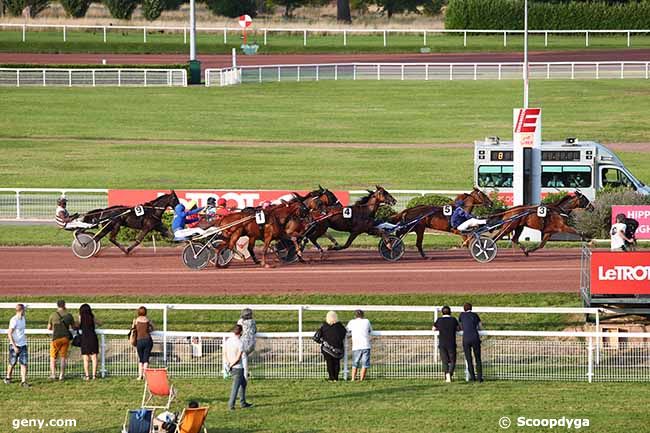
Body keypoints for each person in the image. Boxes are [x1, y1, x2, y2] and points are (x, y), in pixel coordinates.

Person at [223, 325, 253, 410]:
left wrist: (228, 362)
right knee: (235, 387)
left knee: (243, 383)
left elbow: (224, 352)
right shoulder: (240, 343)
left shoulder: (228, 340)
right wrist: (231, 365)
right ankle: (231, 405)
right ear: (241, 332)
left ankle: (243, 402)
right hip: (238, 368)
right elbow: (238, 357)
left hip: (231, 365)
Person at [47, 300, 76, 381]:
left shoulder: (53, 315)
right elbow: (74, 327)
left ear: (57, 305)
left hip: (55, 338)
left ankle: (53, 374)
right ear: (64, 305)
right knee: (63, 357)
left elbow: (49, 327)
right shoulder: (69, 315)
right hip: (65, 338)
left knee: (53, 357)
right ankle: (61, 375)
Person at [315, 311, 347, 382]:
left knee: (329, 363)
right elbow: (343, 334)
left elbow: (317, 337)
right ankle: (336, 378)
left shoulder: (324, 326)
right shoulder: (340, 326)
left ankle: (331, 378)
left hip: (327, 349)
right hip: (337, 349)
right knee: (336, 363)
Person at [5, 304, 29, 387]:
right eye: (24, 310)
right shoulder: (14, 320)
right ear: (21, 310)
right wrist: (14, 346)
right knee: (12, 362)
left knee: (24, 363)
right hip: (14, 345)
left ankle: (23, 381)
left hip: (23, 344)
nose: (25, 311)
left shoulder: (23, 319)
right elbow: (9, 333)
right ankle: (8, 377)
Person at [434, 306, 459, 383]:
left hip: (442, 344)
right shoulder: (453, 319)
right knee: (452, 361)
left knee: (444, 361)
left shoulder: (439, 320)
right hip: (451, 343)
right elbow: (458, 328)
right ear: (450, 312)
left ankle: (447, 376)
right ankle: (449, 374)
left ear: (442, 312)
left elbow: (433, 328)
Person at [459, 303, 483, 382]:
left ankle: (472, 378)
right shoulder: (475, 315)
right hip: (475, 337)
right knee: (478, 358)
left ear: (464, 309)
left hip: (466, 338)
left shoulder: (461, 315)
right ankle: (479, 377)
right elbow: (480, 326)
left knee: (469, 359)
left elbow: (461, 326)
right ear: (471, 308)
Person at [346, 310, 373, 382]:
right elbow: (370, 330)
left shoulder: (352, 322)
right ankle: (361, 379)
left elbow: (347, 330)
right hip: (366, 345)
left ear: (355, 316)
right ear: (363, 315)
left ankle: (353, 379)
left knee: (355, 363)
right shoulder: (367, 321)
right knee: (365, 364)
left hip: (356, 346)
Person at [79, 304, 102, 381]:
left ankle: (87, 376)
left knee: (86, 358)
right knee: (94, 357)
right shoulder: (92, 317)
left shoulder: (81, 317)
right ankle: (94, 375)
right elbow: (100, 323)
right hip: (92, 337)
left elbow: (78, 325)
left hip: (84, 338)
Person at [133, 306, 154, 380]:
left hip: (139, 341)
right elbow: (153, 328)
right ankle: (145, 375)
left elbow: (133, 329)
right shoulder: (148, 320)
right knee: (146, 359)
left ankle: (140, 375)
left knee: (141, 359)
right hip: (148, 340)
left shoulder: (136, 320)